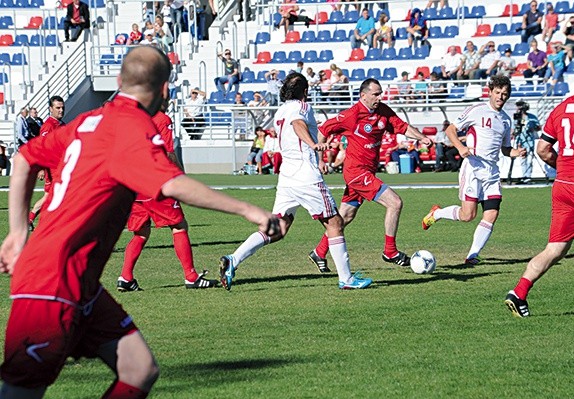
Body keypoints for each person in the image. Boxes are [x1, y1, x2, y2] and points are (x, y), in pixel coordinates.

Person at [0, 46, 280, 399]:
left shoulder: (91, 119)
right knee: (21, 391)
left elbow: (24, 157)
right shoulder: (132, 126)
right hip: (52, 279)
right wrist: (250, 211)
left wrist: (17, 233)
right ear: (165, 90)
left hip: (81, 282)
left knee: (139, 369)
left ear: (119, 81)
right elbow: (172, 183)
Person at [219, 72, 372, 291]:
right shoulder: (302, 107)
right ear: (305, 91)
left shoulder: (280, 110)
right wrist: (314, 144)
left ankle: (233, 259)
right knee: (335, 223)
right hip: (305, 175)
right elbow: (298, 124)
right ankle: (346, 279)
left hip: (287, 177)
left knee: (279, 228)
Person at [505, 59, 574, 318]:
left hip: (565, 187)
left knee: (556, 248)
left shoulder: (562, 108)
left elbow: (543, 149)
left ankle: (519, 291)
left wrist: (566, 167)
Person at [309, 78, 432, 272]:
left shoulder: (383, 110)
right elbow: (323, 130)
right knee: (395, 203)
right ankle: (390, 251)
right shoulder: (351, 115)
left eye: (380, 93)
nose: (379, 97)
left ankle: (319, 252)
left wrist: (421, 137)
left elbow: (402, 127)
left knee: (345, 217)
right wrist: (321, 159)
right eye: (375, 94)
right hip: (356, 173)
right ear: (363, 95)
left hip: (367, 171)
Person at [421, 75, 526, 265]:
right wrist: (461, 148)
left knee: (492, 213)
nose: (501, 97)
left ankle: (472, 255)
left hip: (492, 172)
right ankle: (436, 213)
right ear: (490, 92)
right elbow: (451, 130)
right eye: (497, 93)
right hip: (473, 168)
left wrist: (515, 152)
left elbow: (504, 149)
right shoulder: (477, 111)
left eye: (504, 94)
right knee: (467, 215)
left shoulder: (505, 120)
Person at [117, 105, 219, 292]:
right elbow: (169, 153)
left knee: (141, 232)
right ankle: (191, 277)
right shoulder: (161, 119)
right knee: (179, 226)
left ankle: (125, 278)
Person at [28, 96, 65, 231]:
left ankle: (31, 219)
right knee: (55, 196)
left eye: (62, 107)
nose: (61, 110)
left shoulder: (61, 124)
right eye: (57, 108)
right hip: (52, 168)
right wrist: (41, 168)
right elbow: (42, 148)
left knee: (49, 196)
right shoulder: (48, 126)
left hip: (61, 167)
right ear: (50, 109)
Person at [512, 100, 540, 183]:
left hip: (529, 140)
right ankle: (524, 175)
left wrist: (532, 128)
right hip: (520, 140)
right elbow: (514, 129)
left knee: (530, 159)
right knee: (522, 158)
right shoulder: (517, 118)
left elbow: (538, 127)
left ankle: (528, 176)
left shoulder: (532, 117)